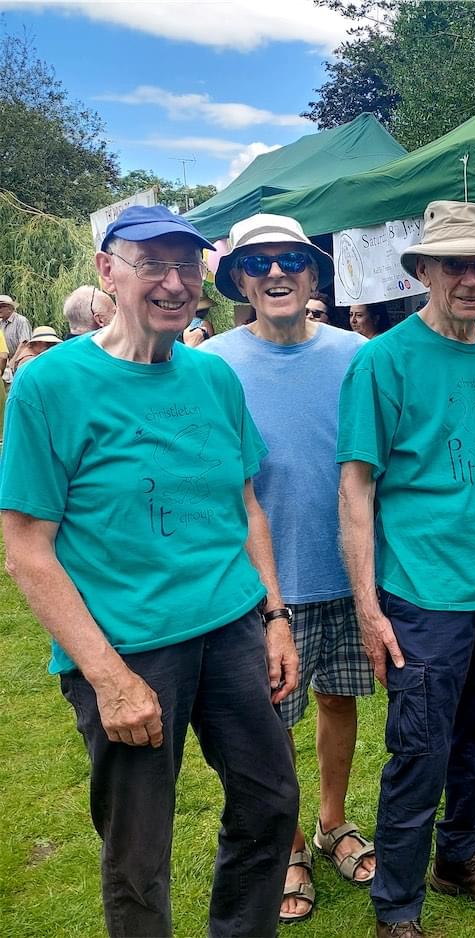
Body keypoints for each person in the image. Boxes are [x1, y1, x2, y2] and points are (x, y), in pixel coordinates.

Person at [0, 203, 300, 937]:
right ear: (108, 272)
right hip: (127, 647)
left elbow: (247, 507)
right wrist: (108, 678)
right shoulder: (51, 384)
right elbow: (27, 548)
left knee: (270, 804)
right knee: (138, 856)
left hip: (230, 626)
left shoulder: (213, 378)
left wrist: (275, 616)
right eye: (153, 265)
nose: (174, 283)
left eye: (187, 266)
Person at [338, 200, 475, 938]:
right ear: (424, 271)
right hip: (423, 595)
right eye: (455, 264)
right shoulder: (383, 360)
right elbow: (356, 489)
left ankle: (459, 858)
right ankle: (395, 908)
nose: (472, 278)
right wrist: (369, 609)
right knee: (419, 751)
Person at [202, 213, 374, 924]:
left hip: (346, 570)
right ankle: (291, 842)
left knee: (340, 701)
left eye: (290, 260)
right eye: (258, 262)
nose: (276, 272)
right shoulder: (213, 363)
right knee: (270, 727)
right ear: (240, 279)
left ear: (312, 273)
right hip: (260, 587)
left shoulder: (357, 353)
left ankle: (332, 821)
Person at [0, 294, 32, 364]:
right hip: (7, 361)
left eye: (1, 307)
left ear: (10, 308)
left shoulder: (21, 321)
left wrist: (13, 361)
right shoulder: (1, 322)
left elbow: (24, 343)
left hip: (21, 360)